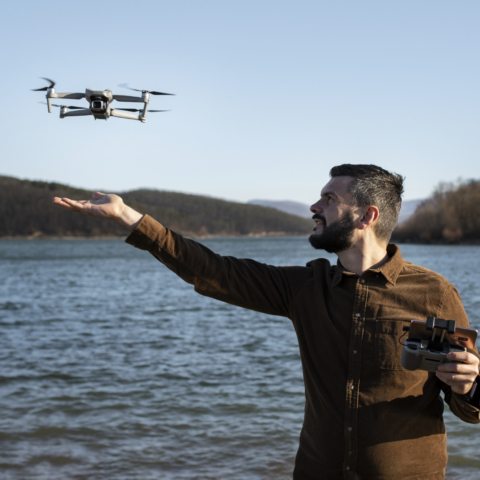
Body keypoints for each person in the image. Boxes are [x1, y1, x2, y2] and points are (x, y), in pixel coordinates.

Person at [53, 164, 480, 480]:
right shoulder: (305, 287)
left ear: (367, 216)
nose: (315, 206)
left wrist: (468, 385)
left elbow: (470, 405)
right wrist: (131, 219)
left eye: (330, 200)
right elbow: (214, 270)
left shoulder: (434, 294)